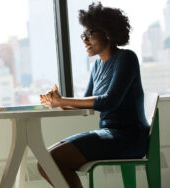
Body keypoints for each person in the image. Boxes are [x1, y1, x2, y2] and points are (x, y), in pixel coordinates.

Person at [38, 2, 149, 188]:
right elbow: (86, 104)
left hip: (129, 137)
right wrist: (56, 102)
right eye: (83, 35)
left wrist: (62, 100)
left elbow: (109, 102)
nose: (84, 40)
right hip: (108, 134)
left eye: (89, 34)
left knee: (50, 162)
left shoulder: (126, 58)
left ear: (107, 32)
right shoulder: (97, 66)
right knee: (45, 162)